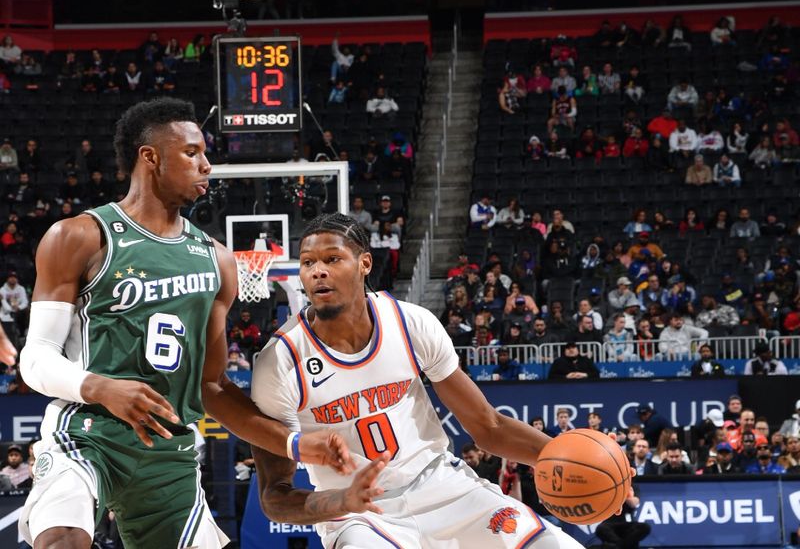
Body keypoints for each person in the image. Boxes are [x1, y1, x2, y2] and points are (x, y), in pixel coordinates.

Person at [17, 99, 350, 549]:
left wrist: (293, 444)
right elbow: (34, 359)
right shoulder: (80, 236)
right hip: (87, 434)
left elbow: (210, 387)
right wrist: (101, 387)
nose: (206, 165)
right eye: (192, 152)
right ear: (149, 157)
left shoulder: (217, 259)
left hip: (170, 450)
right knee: (61, 540)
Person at [250, 212, 597, 548]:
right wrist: (340, 502)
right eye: (308, 262)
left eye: (332, 258)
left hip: (443, 486)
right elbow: (274, 497)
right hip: (361, 516)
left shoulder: (410, 322)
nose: (318, 271)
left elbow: (488, 425)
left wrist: (564, 457)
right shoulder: (279, 360)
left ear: (364, 264)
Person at [595, 485, 651, 549]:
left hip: (626, 524)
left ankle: (618, 546)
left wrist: (623, 493)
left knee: (644, 527)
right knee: (601, 528)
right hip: (610, 523)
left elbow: (633, 503)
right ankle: (621, 546)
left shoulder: (632, 486)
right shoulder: (607, 484)